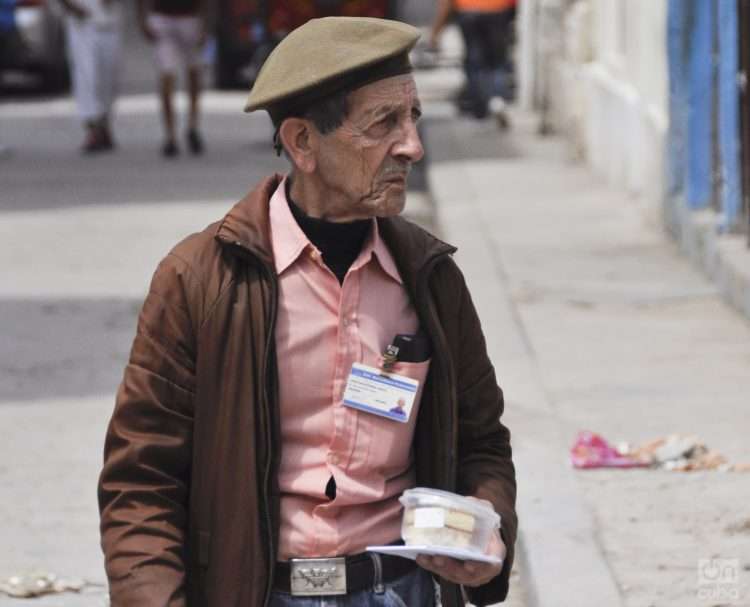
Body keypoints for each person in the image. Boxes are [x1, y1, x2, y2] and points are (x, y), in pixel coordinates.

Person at [98, 16, 517, 607]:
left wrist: (485, 527)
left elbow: (482, 444)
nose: (413, 147)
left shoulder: (430, 278)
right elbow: (142, 480)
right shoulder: (201, 281)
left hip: (401, 593)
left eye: (413, 118)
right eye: (383, 124)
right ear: (302, 143)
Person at [137, 0, 208, 157]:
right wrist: (141, 19)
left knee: (194, 74)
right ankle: (170, 135)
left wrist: (206, 25)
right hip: (162, 17)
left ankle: (192, 126)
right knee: (166, 75)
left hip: (190, 17)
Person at [430, 0, 517, 126]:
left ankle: (480, 106)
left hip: (468, 9)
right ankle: (497, 100)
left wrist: (436, 31)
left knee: (474, 61)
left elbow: (446, 3)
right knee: (497, 61)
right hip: (498, 9)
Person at [59, 0, 122, 153]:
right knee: (86, 76)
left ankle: (104, 123)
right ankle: (92, 127)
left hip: (109, 22)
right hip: (82, 22)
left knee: (109, 77)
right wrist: (70, 6)